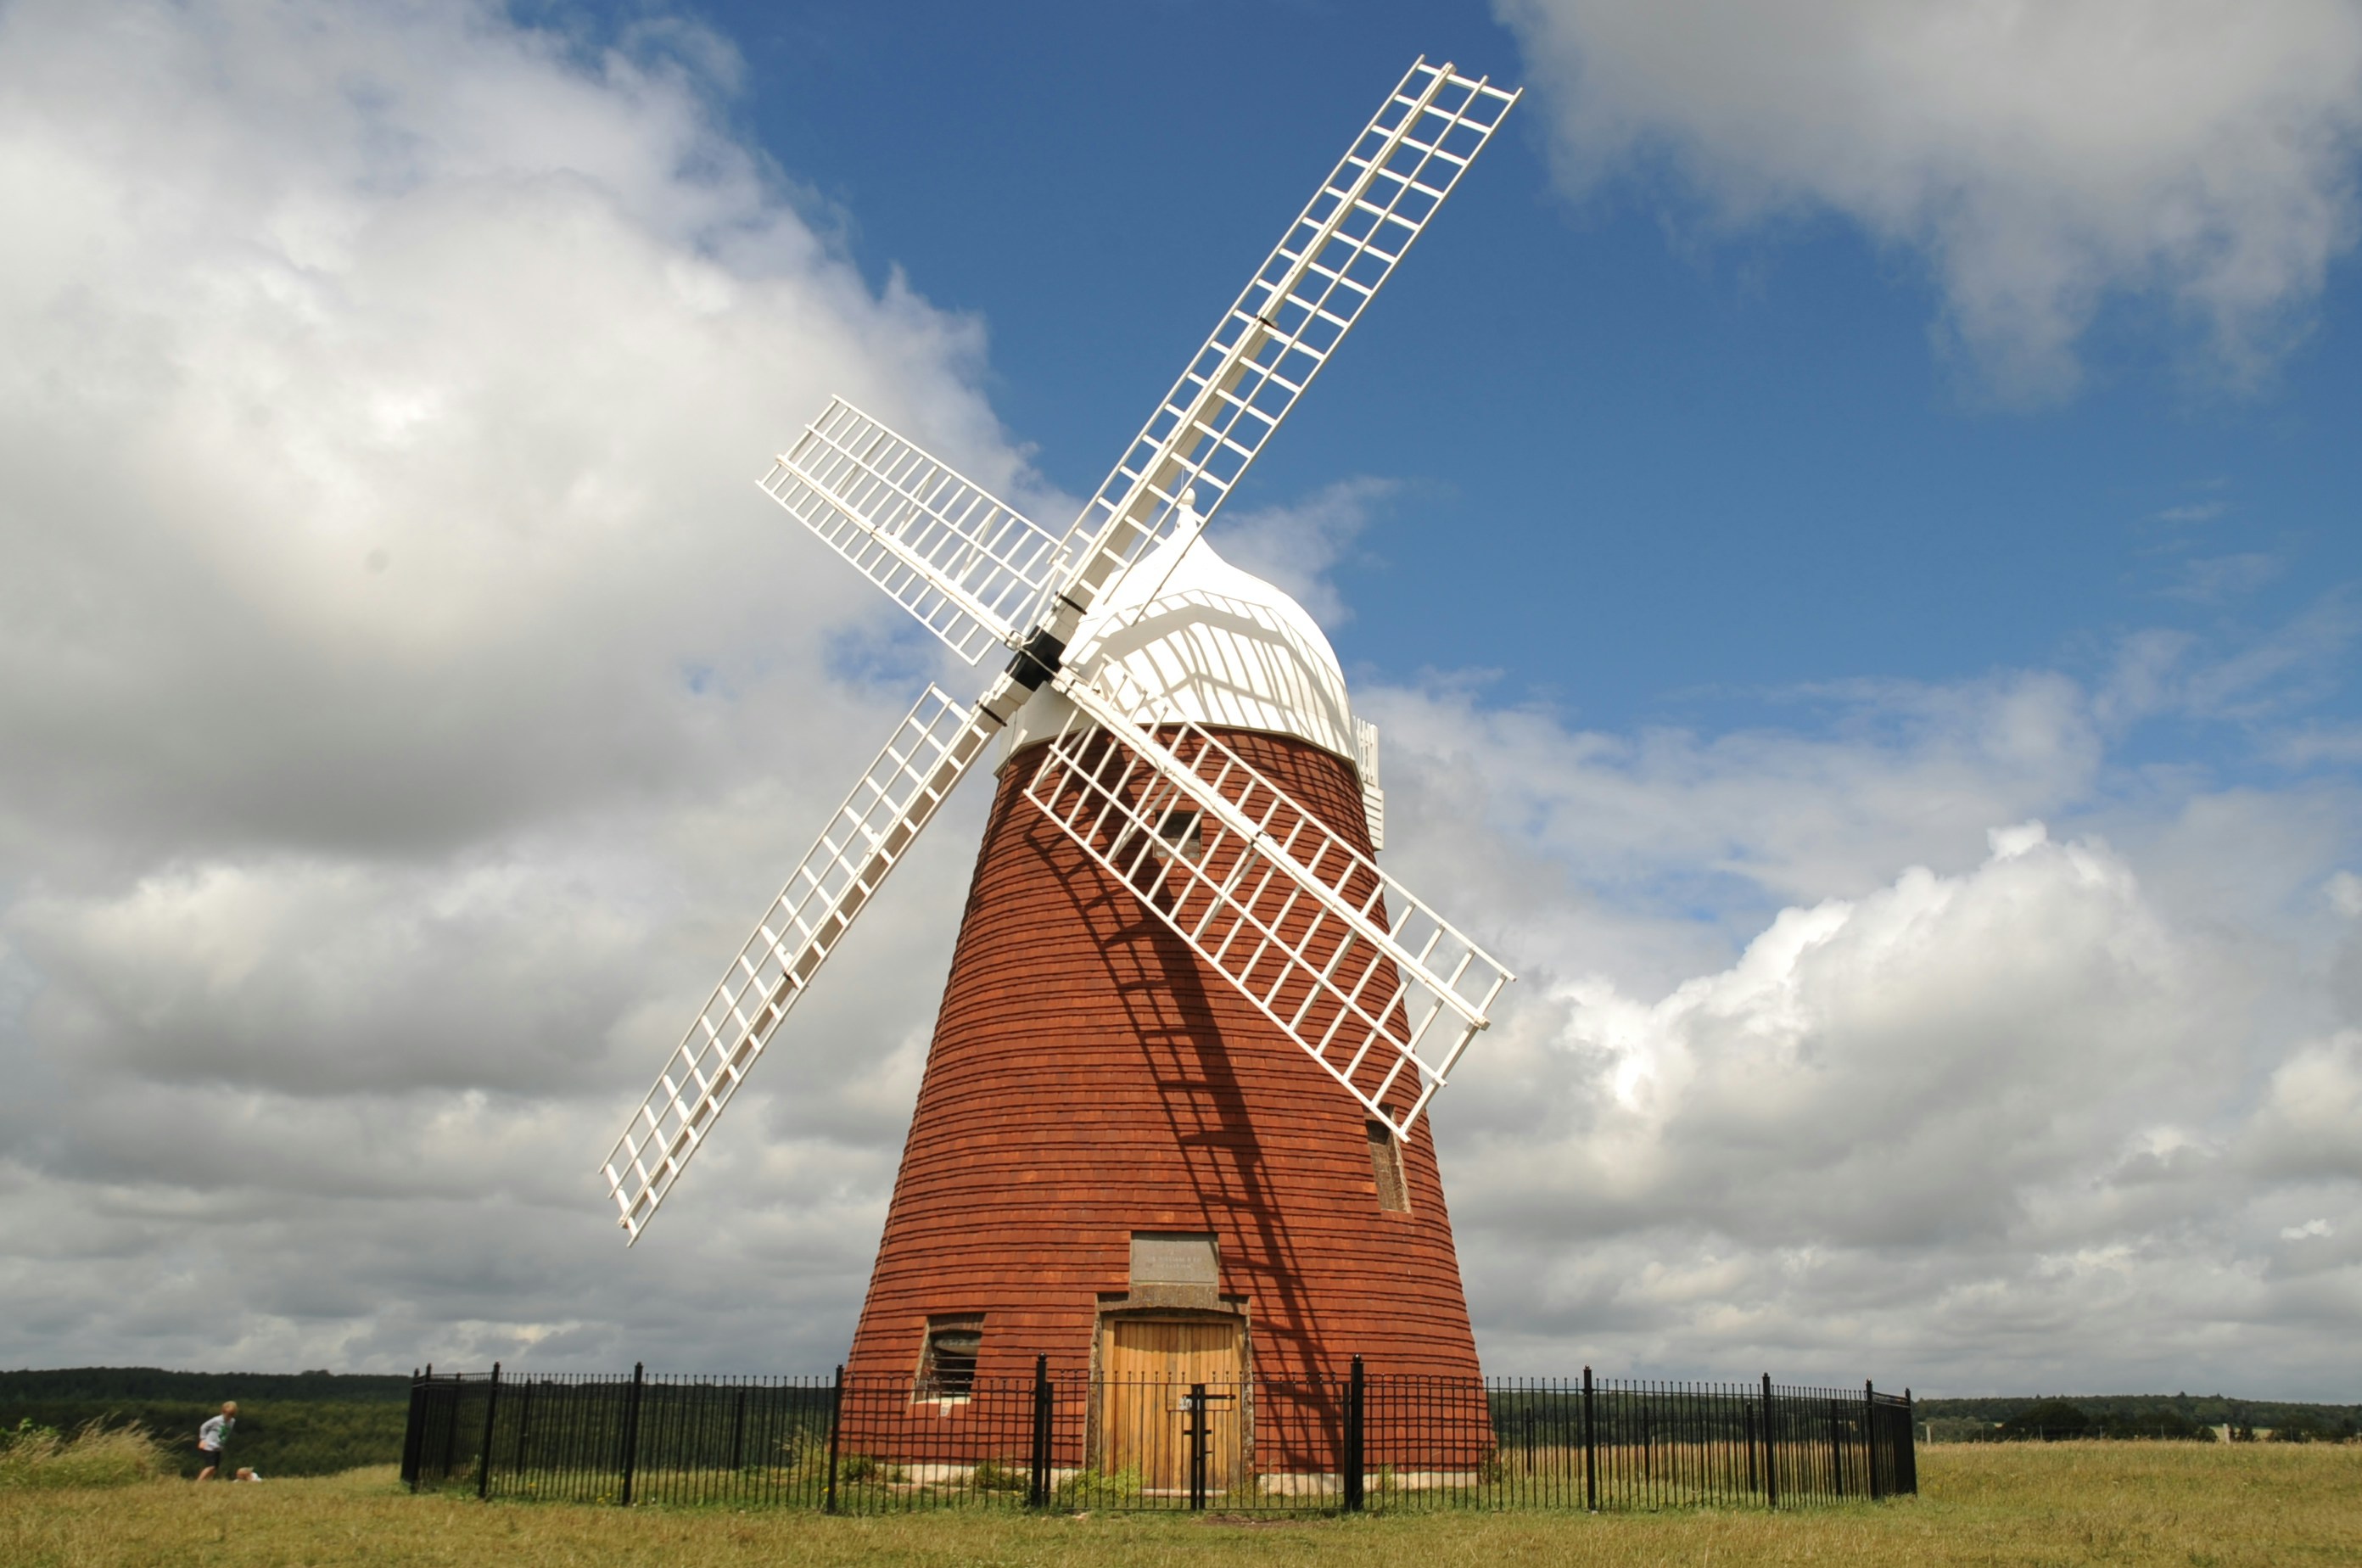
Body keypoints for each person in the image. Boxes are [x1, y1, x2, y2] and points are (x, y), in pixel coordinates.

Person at [195, 1401, 237, 1481]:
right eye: (227, 1414)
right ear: (223, 1412)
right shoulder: (216, 1420)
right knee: (210, 1466)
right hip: (210, 1446)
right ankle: (198, 1482)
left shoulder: (232, 1421)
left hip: (219, 1447)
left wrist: (223, 1444)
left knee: (214, 1469)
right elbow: (203, 1427)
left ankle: (206, 1481)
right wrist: (203, 1439)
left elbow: (226, 1433)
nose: (229, 1416)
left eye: (231, 1414)